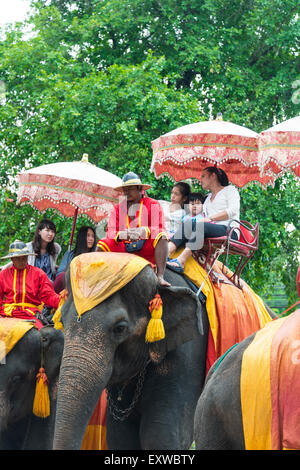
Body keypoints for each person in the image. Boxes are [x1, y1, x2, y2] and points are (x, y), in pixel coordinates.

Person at [97, 171, 170, 287]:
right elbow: (110, 232)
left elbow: (160, 227)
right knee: (103, 243)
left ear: (140, 188)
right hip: (123, 250)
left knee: (161, 235)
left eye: (130, 188)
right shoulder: (117, 208)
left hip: (146, 249)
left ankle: (160, 276)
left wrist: (145, 231)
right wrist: (121, 235)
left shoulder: (153, 204)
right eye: (124, 189)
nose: (126, 192)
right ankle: (100, 278)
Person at [167, 167, 240, 273]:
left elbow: (232, 211)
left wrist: (209, 218)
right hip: (209, 227)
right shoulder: (208, 197)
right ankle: (165, 253)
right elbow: (195, 209)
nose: (200, 179)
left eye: (203, 176)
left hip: (229, 230)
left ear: (213, 176)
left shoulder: (230, 190)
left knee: (201, 225)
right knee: (189, 223)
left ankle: (181, 261)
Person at [0, 240, 60, 328]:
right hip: (8, 313)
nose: (21, 261)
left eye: (24, 257)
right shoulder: (3, 275)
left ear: (28, 256)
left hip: (31, 313)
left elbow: (48, 295)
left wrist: (63, 301)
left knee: (43, 337)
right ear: (12, 259)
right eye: (18, 258)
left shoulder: (38, 273)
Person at [53, 226, 96, 293]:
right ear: (82, 237)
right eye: (88, 236)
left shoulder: (95, 256)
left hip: (85, 288)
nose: (91, 239)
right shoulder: (70, 254)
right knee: (62, 276)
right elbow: (60, 273)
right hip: (68, 285)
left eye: (93, 236)